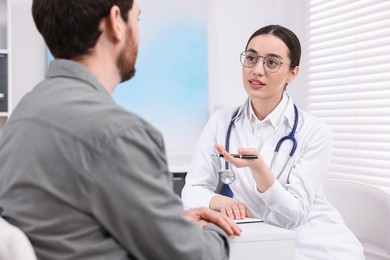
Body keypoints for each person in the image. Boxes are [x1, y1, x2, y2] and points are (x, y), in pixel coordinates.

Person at [0, 1, 241, 259]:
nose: (138, 31)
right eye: (137, 18)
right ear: (116, 21)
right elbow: (190, 256)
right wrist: (215, 229)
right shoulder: (119, 134)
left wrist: (168, 223)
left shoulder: (24, 114)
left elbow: (66, 223)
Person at [181, 25, 365, 259]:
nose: (257, 70)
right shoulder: (221, 122)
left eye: (271, 62)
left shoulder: (315, 131)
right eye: (251, 58)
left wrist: (260, 170)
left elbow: (293, 215)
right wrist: (219, 202)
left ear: (293, 73)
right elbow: (192, 190)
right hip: (261, 244)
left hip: (317, 248)